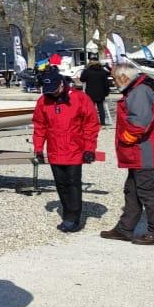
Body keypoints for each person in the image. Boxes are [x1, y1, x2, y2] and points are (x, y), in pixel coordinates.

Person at [100, 61, 154, 246]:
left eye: (115, 78)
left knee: (148, 192)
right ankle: (125, 229)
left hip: (144, 152)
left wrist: (124, 138)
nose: (114, 83)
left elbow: (139, 124)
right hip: (141, 151)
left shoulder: (139, 91)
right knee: (132, 190)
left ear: (124, 77)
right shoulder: (141, 88)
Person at [32, 67, 100, 232]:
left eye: (54, 90)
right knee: (61, 184)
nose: (52, 93)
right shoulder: (44, 101)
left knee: (73, 184)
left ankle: (73, 217)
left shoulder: (79, 98)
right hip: (55, 149)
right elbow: (40, 126)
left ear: (62, 84)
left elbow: (91, 124)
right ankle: (68, 212)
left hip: (74, 149)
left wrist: (89, 148)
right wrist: (39, 149)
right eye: (49, 91)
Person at [78, 60, 113, 126]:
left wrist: (84, 71)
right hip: (100, 92)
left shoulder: (87, 71)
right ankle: (102, 122)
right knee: (101, 108)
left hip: (90, 92)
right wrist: (106, 92)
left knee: (91, 108)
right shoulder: (102, 71)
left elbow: (82, 79)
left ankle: (92, 122)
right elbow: (106, 83)